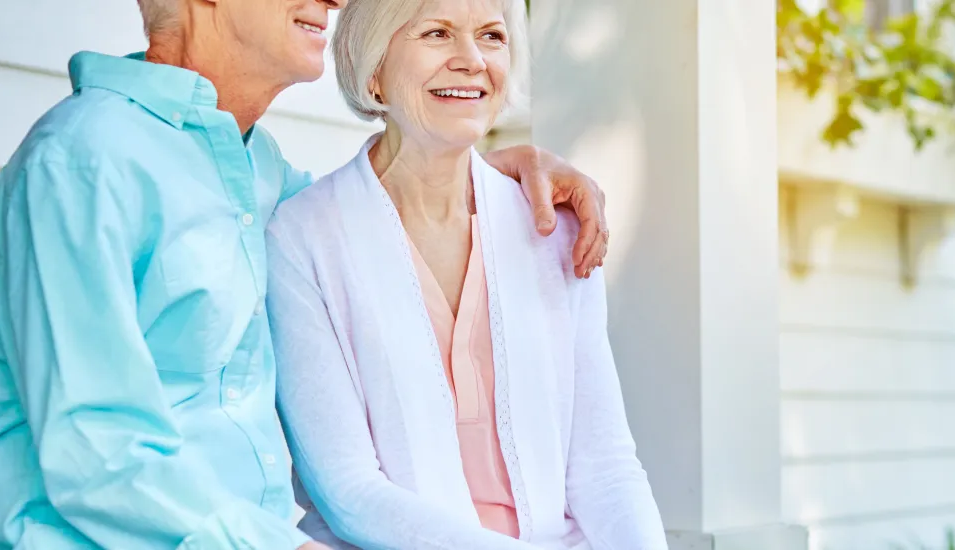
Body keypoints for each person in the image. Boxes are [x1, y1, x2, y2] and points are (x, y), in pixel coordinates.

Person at [0, 0, 611, 548]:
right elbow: (96, 450)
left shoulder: (256, 171)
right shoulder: (83, 163)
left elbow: (378, 209)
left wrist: (500, 163)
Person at [264, 0, 667, 548]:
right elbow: (350, 493)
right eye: (437, 33)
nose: (472, 59)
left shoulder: (558, 227)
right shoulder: (302, 235)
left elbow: (606, 467)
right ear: (373, 69)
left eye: (492, 36)